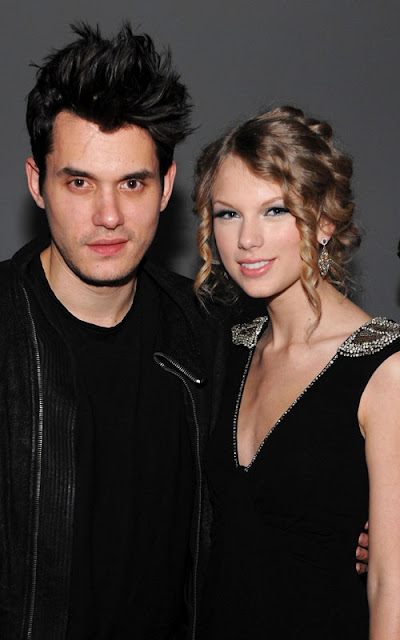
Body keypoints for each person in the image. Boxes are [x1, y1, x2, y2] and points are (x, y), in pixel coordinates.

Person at [0, 22, 218, 639]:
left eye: (132, 183)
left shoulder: (206, 333)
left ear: (166, 187)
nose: (109, 216)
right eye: (79, 182)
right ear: (37, 184)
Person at [193, 106, 400, 638]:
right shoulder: (229, 349)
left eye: (275, 211)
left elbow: (390, 586)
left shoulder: (385, 369)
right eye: (228, 214)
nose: (248, 240)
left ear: (325, 221)